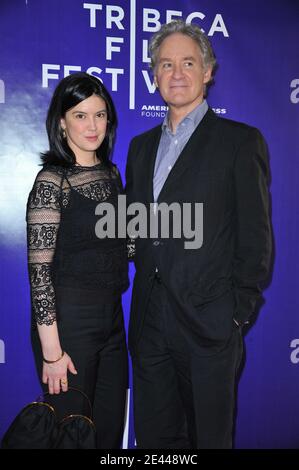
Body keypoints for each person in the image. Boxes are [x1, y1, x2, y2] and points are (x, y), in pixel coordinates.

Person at [125, 20, 272, 449]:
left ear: (208, 71)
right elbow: (137, 228)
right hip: (149, 324)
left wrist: (235, 315)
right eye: (165, 64)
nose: (176, 74)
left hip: (209, 326)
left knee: (209, 439)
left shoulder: (240, 142)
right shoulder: (139, 147)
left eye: (187, 63)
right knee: (155, 441)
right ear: (154, 77)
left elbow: (256, 238)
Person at [26, 72, 129, 449]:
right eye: (81, 115)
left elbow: (125, 246)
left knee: (107, 435)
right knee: (71, 438)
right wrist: (52, 351)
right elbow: (38, 273)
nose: (92, 125)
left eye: (100, 115)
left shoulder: (112, 175)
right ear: (61, 122)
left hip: (113, 323)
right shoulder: (52, 181)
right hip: (68, 327)